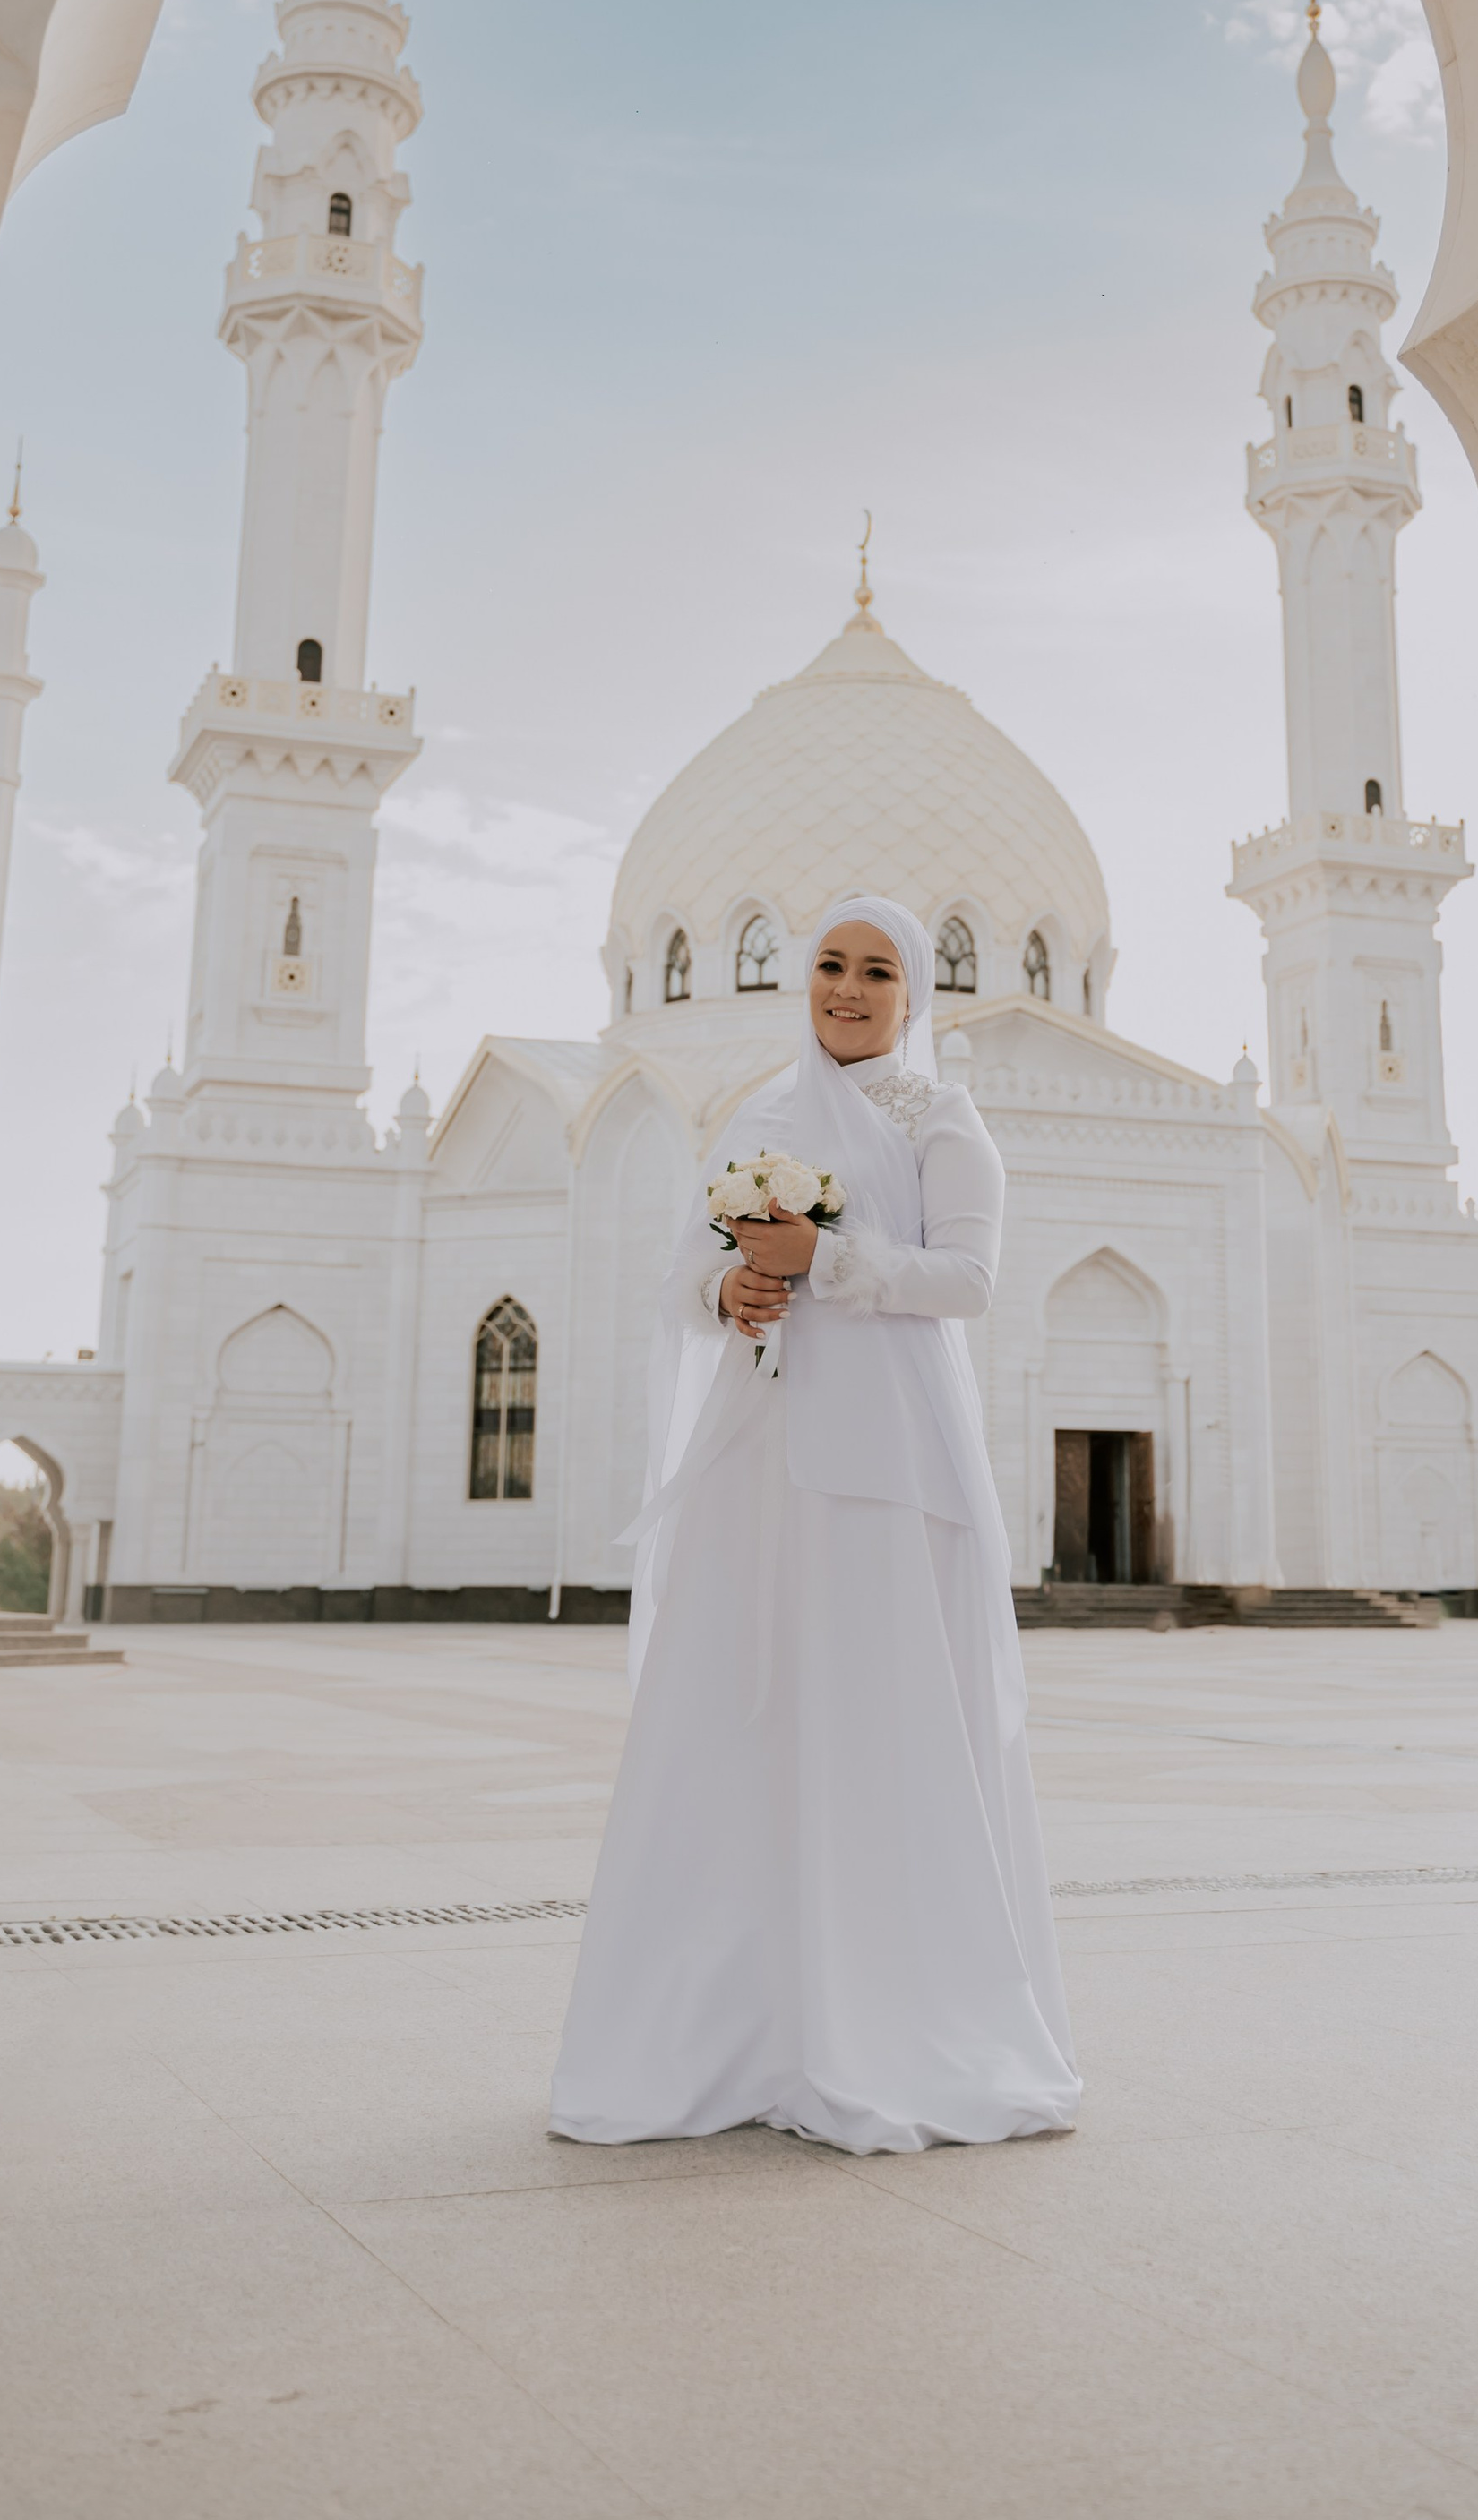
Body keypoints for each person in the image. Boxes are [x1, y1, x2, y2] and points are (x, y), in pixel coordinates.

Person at [549, 892, 1080, 2154]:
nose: (849, 990)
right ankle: (735, 2029)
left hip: (891, 1461)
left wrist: (829, 1262)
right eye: (831, 966)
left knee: (874, 1713)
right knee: (747, 1709)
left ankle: (884, 2026)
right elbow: (683, 1276)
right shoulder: (763, 1117)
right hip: (765, 1459)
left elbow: (971, 1279)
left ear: (916, 994)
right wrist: (731, 1284)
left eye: (877, 971)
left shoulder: (942, 1120)